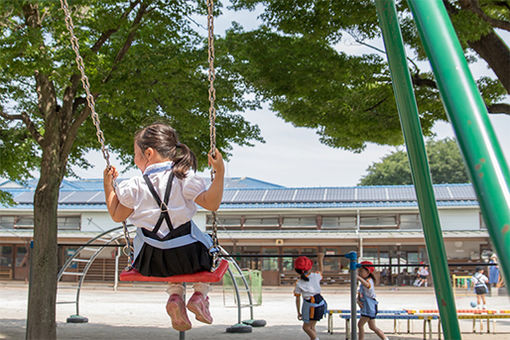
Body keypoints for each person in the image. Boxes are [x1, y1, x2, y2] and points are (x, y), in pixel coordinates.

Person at [103, 123, 224, 331]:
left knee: (161, 247)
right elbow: (212, 203)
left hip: (150, 261)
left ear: (148, 153)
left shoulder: (135, 186)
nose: (134, 159)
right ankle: (199, 295)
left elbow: (116, 214)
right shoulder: (183, 177)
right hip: (190, 258)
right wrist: (219, 171)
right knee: (209, 249)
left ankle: (175, 296)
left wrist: (108, 184)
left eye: (135, 154)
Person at [294, 254, 327, 340]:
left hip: (311, 305)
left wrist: (298, 312)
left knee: (306, 327)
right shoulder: (315, 276)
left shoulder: (299, 283)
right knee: (312, 327)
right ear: (310, 267)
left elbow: (297, 299)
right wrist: (320, 259)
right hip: (320, 303)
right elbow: (321, 270)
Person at [357, 261, 389, 340]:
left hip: (369, 306)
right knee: (372, 327)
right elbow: (359, 293)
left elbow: (367, 285)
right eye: (359, 271)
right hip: (367, 306)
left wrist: (358, 278)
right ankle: (385, 338)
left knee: (360, 325)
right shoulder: (363, 282)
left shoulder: (369, 280)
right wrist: (358, 300)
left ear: (367, 272)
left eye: (361, 271)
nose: (359, 272)